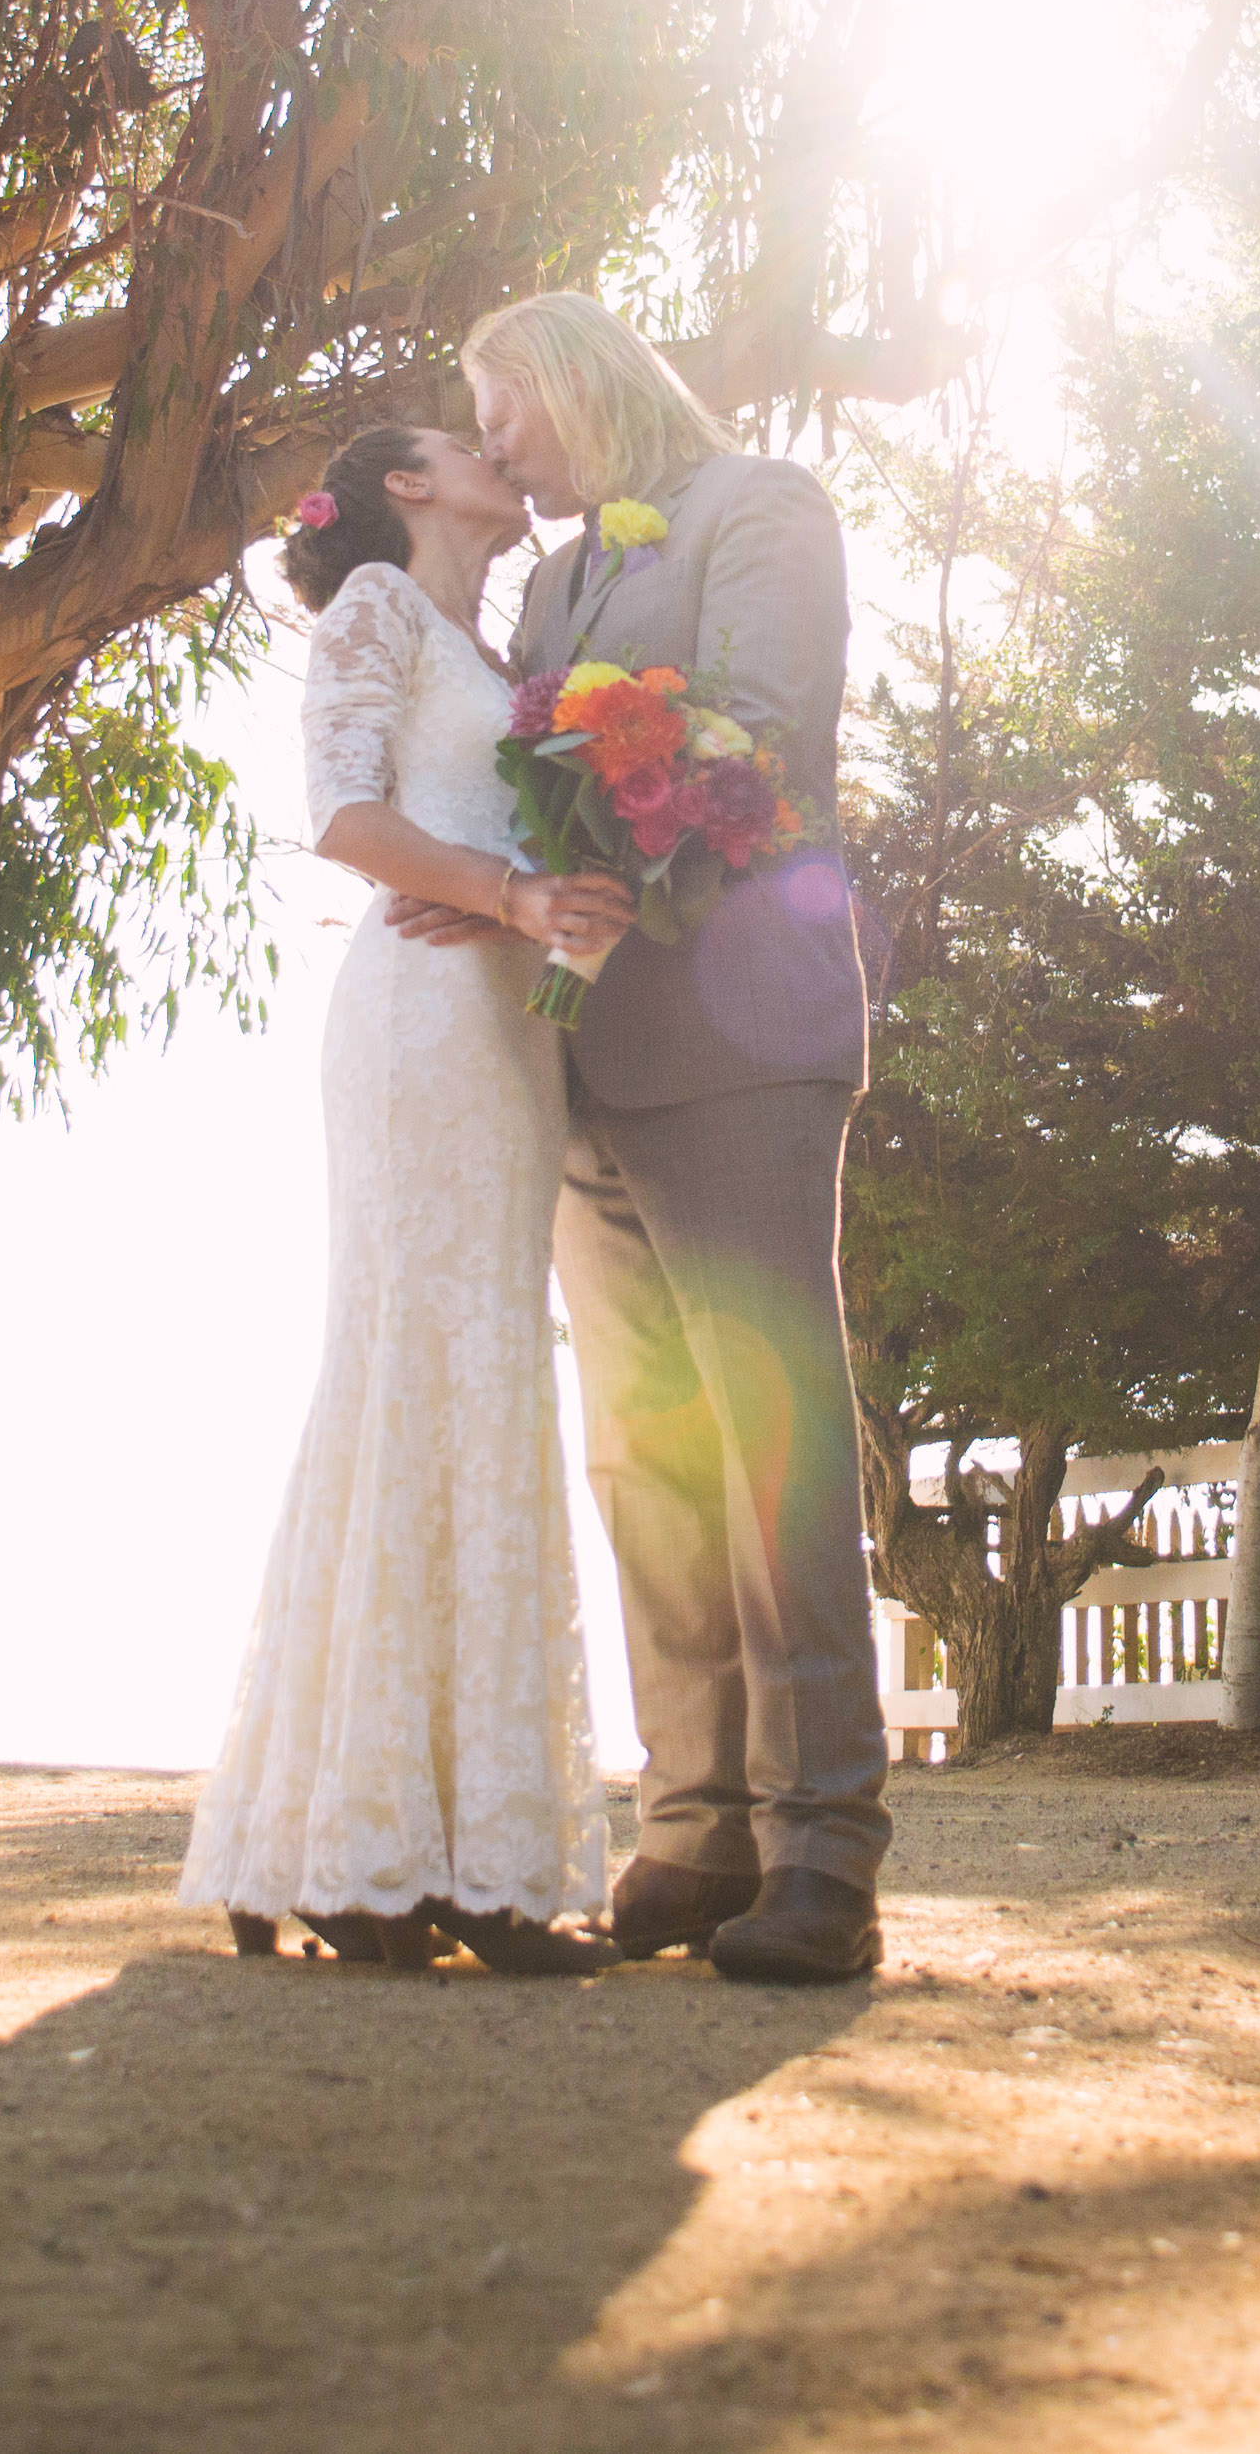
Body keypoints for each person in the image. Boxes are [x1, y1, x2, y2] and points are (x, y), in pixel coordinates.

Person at [403, 292, 891, 1987]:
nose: (500, 441)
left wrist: (597, 845)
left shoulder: (762, 508)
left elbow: (759, 733)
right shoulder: (545, 585)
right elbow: (517, 782)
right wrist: (492, 890)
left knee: (769, 1435)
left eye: (501, 404)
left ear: (571, 379)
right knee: (646, 1451)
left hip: (741, 1033)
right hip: (577, 1062)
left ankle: (829, 1842)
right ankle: (699, 1824)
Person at [175, 422, 635, 1977]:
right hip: (419, 1027)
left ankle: (379, 1839)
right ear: (408, 489)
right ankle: (388, 1862)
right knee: (413, 1373)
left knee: (474, 1377)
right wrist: (505, 893)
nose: (503, 449)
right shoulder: (374, 602)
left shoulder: (504, 651)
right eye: (466, 438)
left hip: (512, 1035)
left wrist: (569, 894)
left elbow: (519, 826)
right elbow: (346, 818)